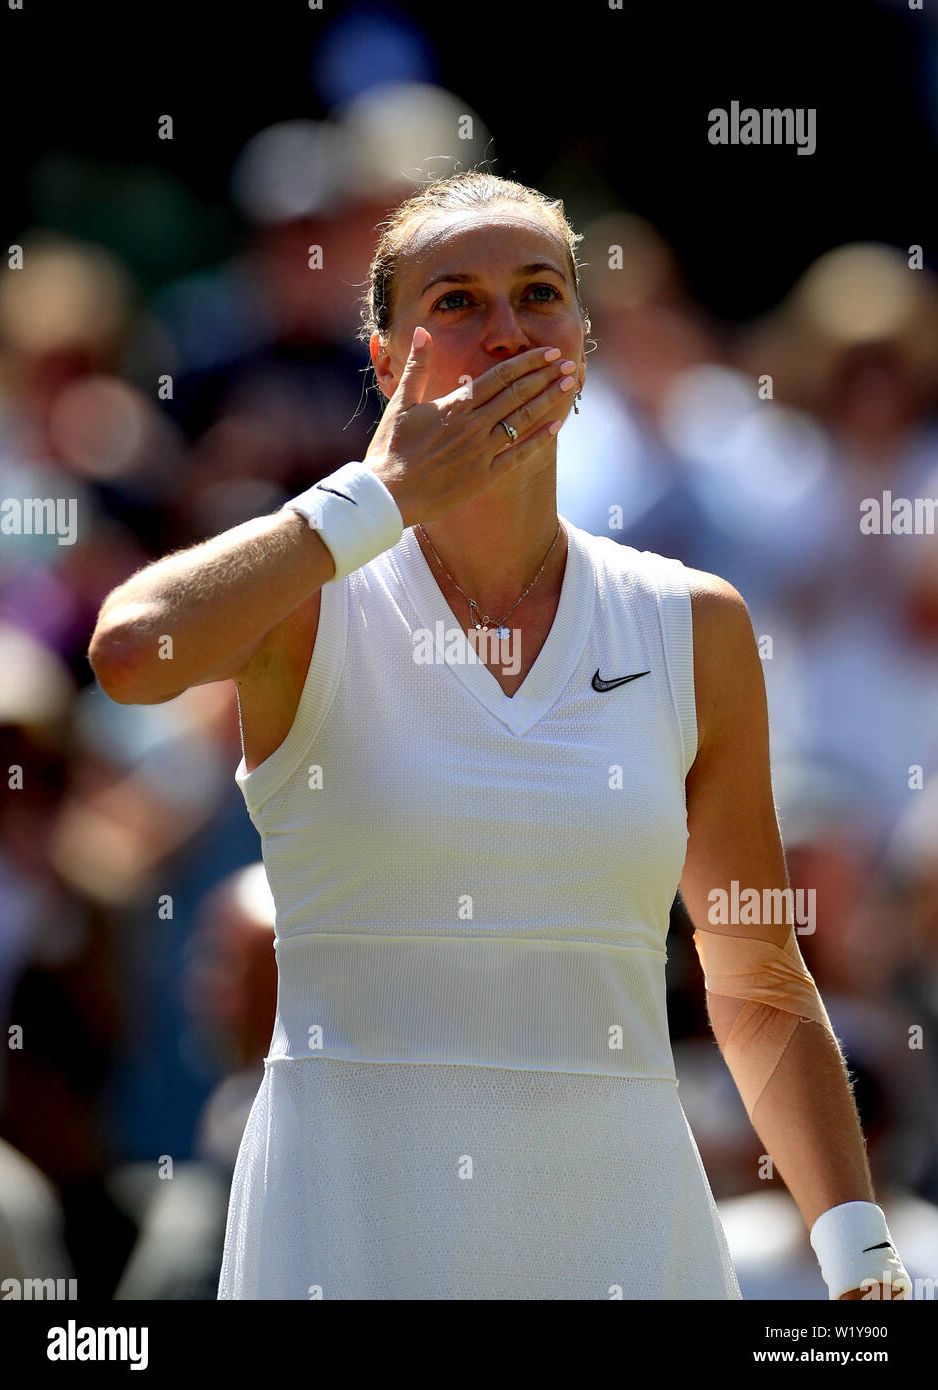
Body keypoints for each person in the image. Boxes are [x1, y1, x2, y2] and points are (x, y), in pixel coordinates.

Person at [87, 171, 910, 1301]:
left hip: (626, 1236)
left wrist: (863, 1270)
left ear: (579, 340)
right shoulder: (306, 592)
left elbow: (758, 980)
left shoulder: (691, 622)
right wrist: (377, 495)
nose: (505, 328)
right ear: (383, 359)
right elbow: (133, 651)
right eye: (455, 302)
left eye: (536, 293)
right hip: (344, 1232)